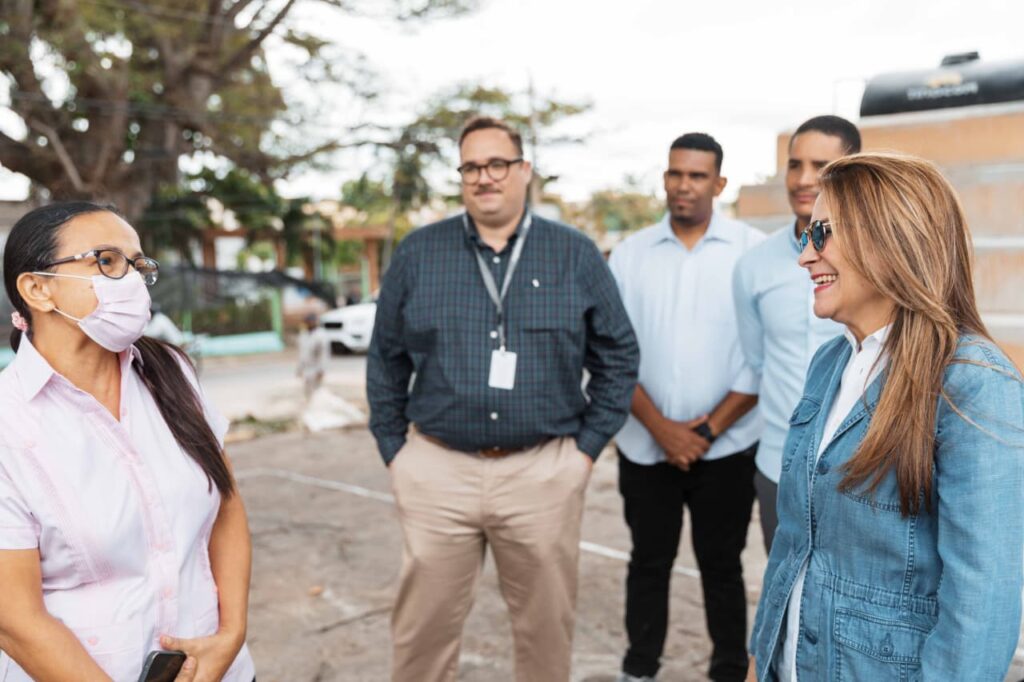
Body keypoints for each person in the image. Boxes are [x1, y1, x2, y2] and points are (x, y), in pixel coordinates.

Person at [367, 116, 639, 682]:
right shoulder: (420, 253)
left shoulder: (574, 254)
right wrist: (398, 452)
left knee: (545, 634)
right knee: (422, 634)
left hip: (542, 472)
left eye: (497, 164)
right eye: (471, 166)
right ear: (461, 176)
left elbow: (618, 355)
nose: (484, 177)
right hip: (438, 471)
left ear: (524, 171)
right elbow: (385, 359)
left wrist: (583, 453)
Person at [747, 153, 1024, 681]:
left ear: (888, 237)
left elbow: (981, 605)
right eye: (807, 234)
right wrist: (761, 657)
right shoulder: (830, 363)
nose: (806, 256)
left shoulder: (973, 383)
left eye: (822, 233)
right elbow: (792, 543)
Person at [0, 202, 255, 682]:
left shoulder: (171, 373)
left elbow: (227, 506)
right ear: (37, 288)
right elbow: (15, 620)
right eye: (107, 261)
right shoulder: (8, 425)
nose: (132, 280)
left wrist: (231, 636)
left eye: (138, 264)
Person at [608, 133, 764, 682]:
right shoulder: (629, 256)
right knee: (647, 563)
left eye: (697, 176)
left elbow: (763, 358)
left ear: (719, 184)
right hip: (645, 443)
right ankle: (640, 667)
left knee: (722, 567)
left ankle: (727, 670)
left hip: (729, 447)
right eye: (675, 173)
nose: (684, 185)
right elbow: (613, 352)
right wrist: (663, 431)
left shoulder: (753, 252)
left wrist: (704, 430)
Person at [732, 115, 860, 552]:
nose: (804, 179)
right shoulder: (753, 265)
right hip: (779, 467)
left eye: (821, 165)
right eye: (794, 164)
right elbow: (757, 361)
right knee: (785, 600)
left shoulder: (885, 262)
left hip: (863, 473)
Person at [296, 313, 329, 401]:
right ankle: (309, 407)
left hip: (316, 368)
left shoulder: (321, 335)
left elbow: (324, 355)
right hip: (307, 368)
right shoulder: (303, 334)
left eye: (309, 321)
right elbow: (301, 354)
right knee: (307, 391)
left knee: (317, 392)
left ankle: (318, 409)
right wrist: (299, 369)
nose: (308, 323)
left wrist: (321, 370)